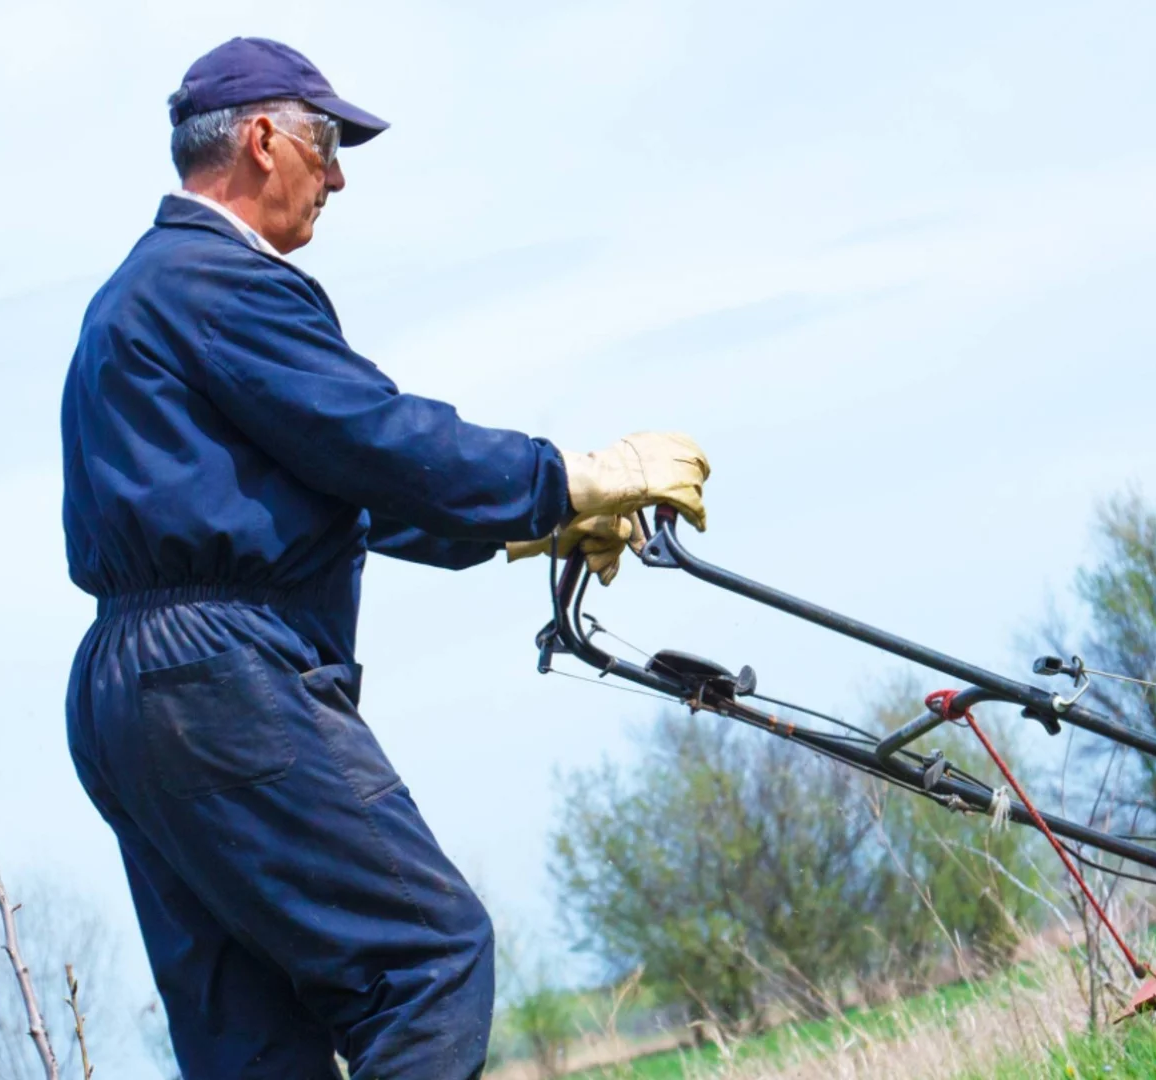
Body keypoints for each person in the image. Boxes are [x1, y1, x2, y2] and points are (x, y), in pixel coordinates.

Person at [60, 37, 706, 1080]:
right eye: (327, 145)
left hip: (133, 692)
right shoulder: (217, 280)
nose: (341, 174)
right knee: (431, 960)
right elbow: (372, 436)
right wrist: (571, 476)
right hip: (220, 677)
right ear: (262, 140)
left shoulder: (133, 300)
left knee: (252, 1042)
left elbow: (321, 491)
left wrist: (527, 528)